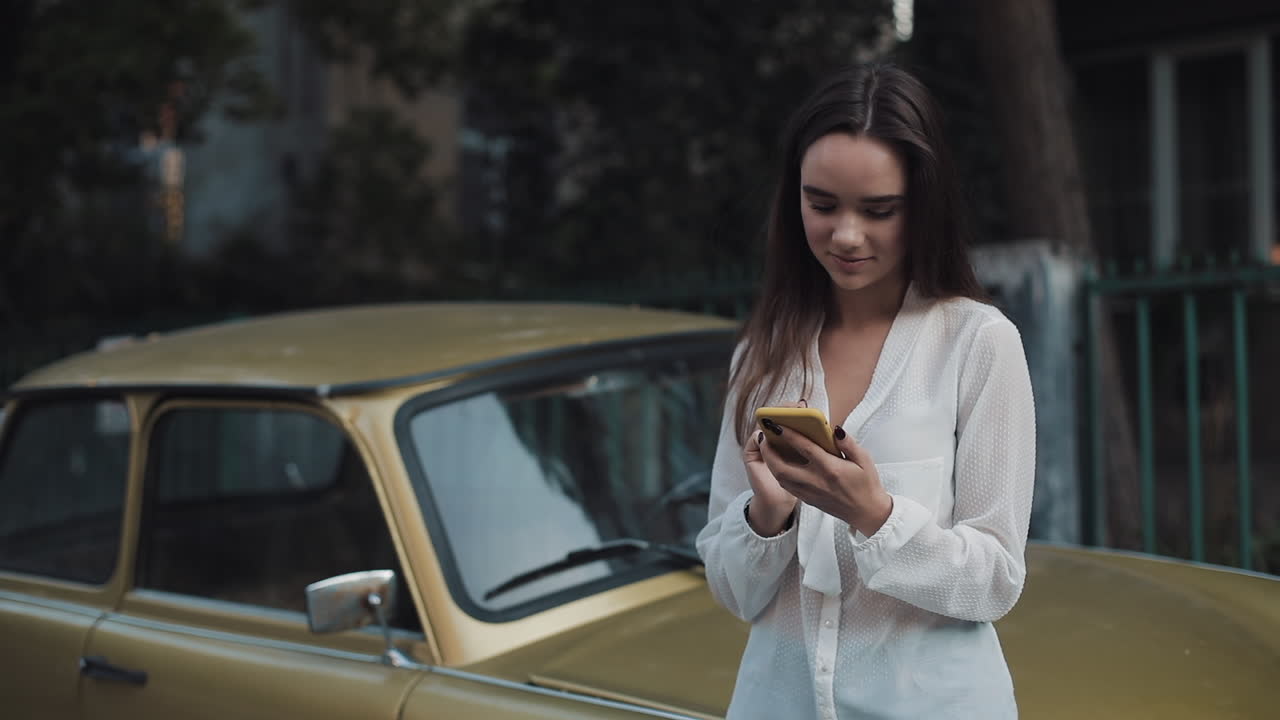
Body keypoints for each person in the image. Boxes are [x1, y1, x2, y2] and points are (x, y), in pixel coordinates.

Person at [695, 62, 1036, 719]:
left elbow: (996, 581)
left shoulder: (978, 343)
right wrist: (769, 519)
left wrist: (875, 516)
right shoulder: (761, 357)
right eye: (821, 204)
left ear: (925, 204)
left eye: (878, 210)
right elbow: (732, 590)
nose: (845, 235)